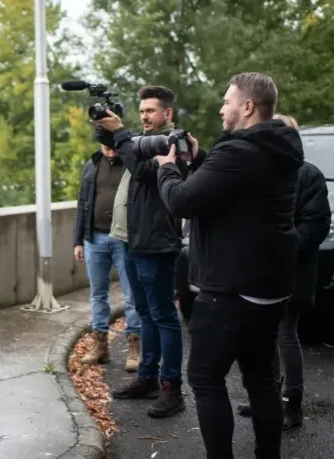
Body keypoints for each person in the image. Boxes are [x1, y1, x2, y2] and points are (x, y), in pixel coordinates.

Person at [154, 72, 304, 458]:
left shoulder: (238, 152)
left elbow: (183, 202)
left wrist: (167, 169)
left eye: (227, 101)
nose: (222, 108)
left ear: (247, 107)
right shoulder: (279, 148)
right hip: (271, 289)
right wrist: (202, 158)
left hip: (232, 290)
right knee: (260, 380)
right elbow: (235, 186)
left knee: (204, 378)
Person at [94, 86, 186, 418]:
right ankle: (147, 377)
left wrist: (121, 133)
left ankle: (172, 389)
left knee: (163, 315)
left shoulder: (173, 143)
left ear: (168, 113)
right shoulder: (139, 144)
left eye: (151, 110)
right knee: (146, 313)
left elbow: (145, 172)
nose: (145, 116)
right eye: (142, 110)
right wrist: (107, 129)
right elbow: (119, 152)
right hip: (132, 241)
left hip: (157, 244)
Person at [237, 114, 331, 431]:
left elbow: (316, 225)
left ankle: (293, 404)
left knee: (285, 336)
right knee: (264, 338)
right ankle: (267, 398)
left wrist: (282, 249)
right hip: (260, 275)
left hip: (293, 274)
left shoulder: (308, 175)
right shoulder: (259, 174)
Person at [73, 128, 142, 372]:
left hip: (124, 239)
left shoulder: (132, 164)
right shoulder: (92, 165)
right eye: (106, 148)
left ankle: (135, 345)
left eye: (114, 148)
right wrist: (78, 241)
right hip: (95, 239)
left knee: (132, 295)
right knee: (97, 294)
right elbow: (82, 203)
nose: (111, 152)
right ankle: (100, 345)